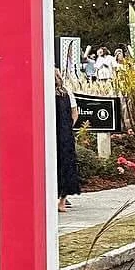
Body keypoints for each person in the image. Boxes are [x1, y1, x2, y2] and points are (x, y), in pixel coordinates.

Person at [54, 70, 80, 212]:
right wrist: (68, 127)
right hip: (66, 135)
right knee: (67, 165)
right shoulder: (67, 93)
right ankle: (62, 201)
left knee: (54, 166)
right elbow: (74, 113)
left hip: (53, 134)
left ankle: (56, 198)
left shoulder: (47, 92)